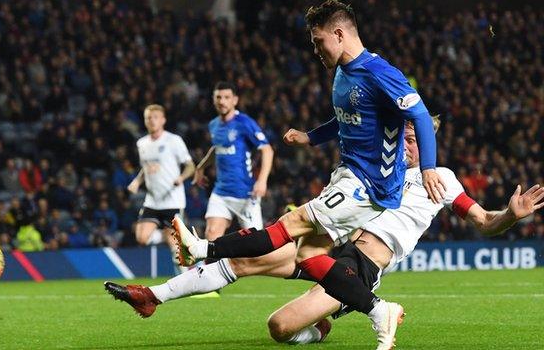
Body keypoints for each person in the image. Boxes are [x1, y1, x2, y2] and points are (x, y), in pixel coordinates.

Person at [104, 119, 544, 349]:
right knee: (243, 260)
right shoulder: (380, 169)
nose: (407, 144)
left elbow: (485, 221)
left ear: (428, 143)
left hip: (360, 264)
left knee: (278, 328)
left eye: (414, 139)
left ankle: (325, 325)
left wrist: (511, 213)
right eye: (405, 136)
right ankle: (153, 297)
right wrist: (312, 139)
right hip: (331, 245)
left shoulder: (441, 178)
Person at [171, 1, 444, 347]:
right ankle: (379, 311)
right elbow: (346, 120)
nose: (315, 49)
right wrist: (310, 137)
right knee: (307, 256)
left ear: (340, 34)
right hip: (349, 174)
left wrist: (429, 168)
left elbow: (419, 115)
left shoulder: (379, 72)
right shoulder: (344, 72)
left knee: (288, 226)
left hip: (369, 184)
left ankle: (203, 248)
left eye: (318, 41)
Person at [192, 81, 274, 241]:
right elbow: (217, 149)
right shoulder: (213, 125)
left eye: (226, 97)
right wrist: (201, 167)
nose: (222, 101)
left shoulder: (244, 123)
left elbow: (267, 150)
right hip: (221, 193)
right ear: (213, 100)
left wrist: (262, 180)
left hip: (245, 193)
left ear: (234, 100)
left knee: (256, 245)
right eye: (218, 97)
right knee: (211, 235)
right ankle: (217, 266)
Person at [127, 104, 195, 271]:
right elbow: (146, 167)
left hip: (172, 200)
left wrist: (181, 177)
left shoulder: (173, 140)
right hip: (152, 200)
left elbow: (190, 165)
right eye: (148, 117)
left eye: (155, 117)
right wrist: (137, 181)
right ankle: (169, 237)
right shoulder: (142, 143)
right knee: (142, 238)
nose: (151, 121)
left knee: (176, 247)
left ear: (163, 120)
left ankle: (185, 279)